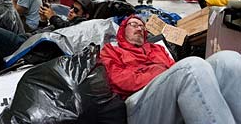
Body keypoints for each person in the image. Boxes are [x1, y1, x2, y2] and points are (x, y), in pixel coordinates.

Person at [99, 15, 241, 124]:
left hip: (165, 96)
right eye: (134, 25)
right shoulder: (112, 50)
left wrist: (165, 74)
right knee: (191, 68)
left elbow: (174, 73)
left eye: (142, 27)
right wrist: (157, 72)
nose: (139, 28)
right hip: (138, 104)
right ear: (123, 29)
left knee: (228, 60)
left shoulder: (157, 48)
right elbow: (119, 80)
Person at [0, 0, 93, 69]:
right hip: (26, 40)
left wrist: (52, 17)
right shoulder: (66, 21)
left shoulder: (81, 25)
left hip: (23, 46)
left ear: (85, 16)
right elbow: (41, 34)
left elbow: (66, 31)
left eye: (76, 10)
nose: (71, 11)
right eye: (71, 7)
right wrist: (44, 21)